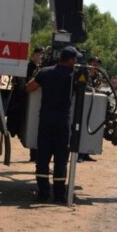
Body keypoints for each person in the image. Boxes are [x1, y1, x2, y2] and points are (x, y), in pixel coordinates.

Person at [25, 46, 81, 203]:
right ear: (70, 60)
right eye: (75, 59)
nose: (76, 61)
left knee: (43, 158)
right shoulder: (73, 76)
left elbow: (29, 88)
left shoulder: (45, 72)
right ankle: (59, 196)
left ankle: (43, 194)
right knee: (61, 159)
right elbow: (77, 93)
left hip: (46, 120)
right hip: (62, 121)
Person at [27, 47, 43, 162]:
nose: (40, 56)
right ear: (34, 55)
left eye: (41, 54)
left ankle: (35, 155)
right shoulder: (30, 67)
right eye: (38, 54)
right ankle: (33, 155)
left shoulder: (40, 68)